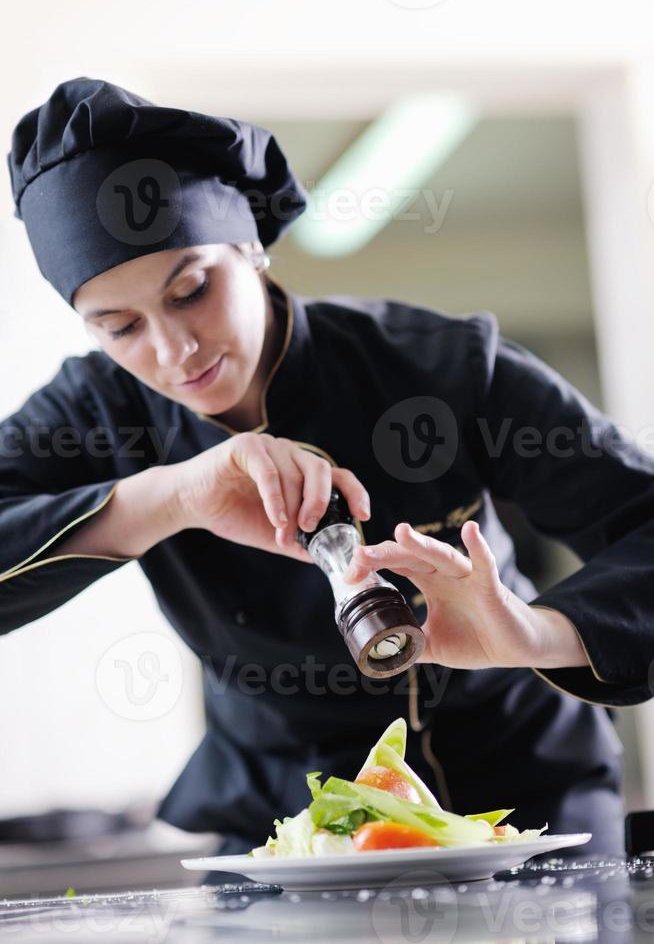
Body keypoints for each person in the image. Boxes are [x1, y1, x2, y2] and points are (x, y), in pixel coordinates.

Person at [2, 78, 653, 873]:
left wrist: (533, 634)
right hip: (285, 831)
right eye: (122, 327)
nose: (175, 352)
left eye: (192, 290)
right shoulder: (96, 412)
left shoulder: (439, 367)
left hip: (525, 799)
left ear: (250, 247)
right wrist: (172, 497)